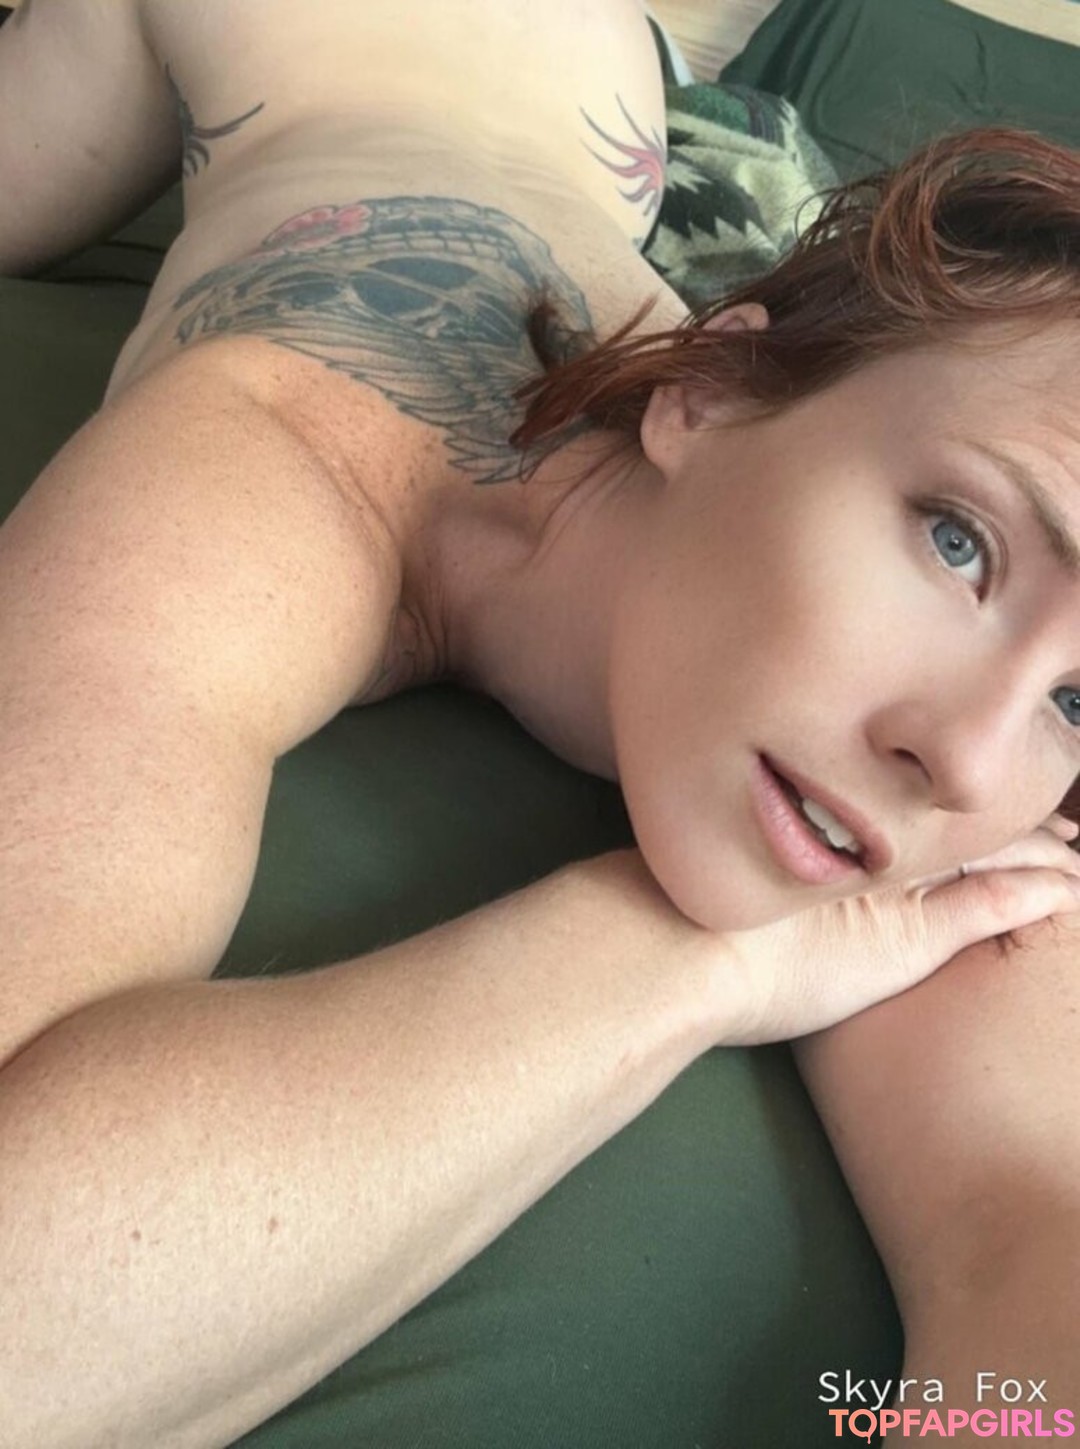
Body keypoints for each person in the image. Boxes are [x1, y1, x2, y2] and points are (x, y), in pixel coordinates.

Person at [0, 1, 1078, 1444]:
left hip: (598, 75)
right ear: (704, 393)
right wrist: (682, 961)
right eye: (958, 541)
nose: (967, 761)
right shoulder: (270, 463)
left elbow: (1034, 1265)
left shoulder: (959, 724)